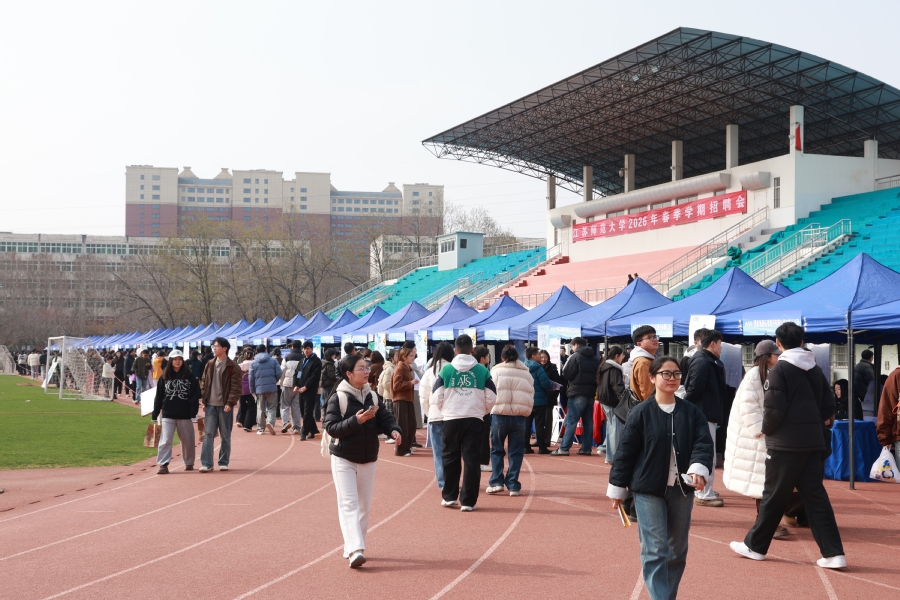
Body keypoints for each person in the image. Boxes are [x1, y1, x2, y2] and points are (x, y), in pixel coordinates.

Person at [730, 322, 846, 569]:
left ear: (779, 343)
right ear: (802, 341)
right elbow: (829, 406)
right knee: (816, 498)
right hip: (812, 442)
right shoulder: (815, 368)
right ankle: (834, 553)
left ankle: (755, 547)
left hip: (784, 445)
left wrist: (767, 430)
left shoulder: (780, 369)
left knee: (773, 496)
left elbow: (773, 410)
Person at [608, 355, 714, 600]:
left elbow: (703, 444)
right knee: (656, 550)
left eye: (676, 373)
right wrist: (617, 487)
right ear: (652, 378)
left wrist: (698, 468)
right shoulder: (640, 413)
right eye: (665, 373)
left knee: (677, 551)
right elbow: (625, 453)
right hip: (647, 490)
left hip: (681, 490)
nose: (672, 378)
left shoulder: (692, 412)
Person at [323, 353, 402, 568]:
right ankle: (356, 549)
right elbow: (331, 428)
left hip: (368, 458)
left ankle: (352, 545)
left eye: (367, 367)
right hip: (343, 458)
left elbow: (385, 419)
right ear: (348, 374)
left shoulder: (372, 396)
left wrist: (394, 430)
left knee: (364, 506)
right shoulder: (338, 397)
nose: (367, 371)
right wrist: (355, 421)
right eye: (361, 368)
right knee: (349, 504)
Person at [723, 340, 789, 538]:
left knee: (765, 482)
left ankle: (767, 522)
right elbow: (748, 407)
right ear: (767, 357)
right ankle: (766, 524)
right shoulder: (754, 376)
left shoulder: (764, 373)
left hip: (760, 436)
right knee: (763, 482)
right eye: (776, 355)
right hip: (756, 437)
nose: (779, 357)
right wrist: (762, 430)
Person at [432, 334, 497, 511]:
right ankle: (468, 501)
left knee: (449, 457)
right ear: (472, 350)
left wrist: (446, 410)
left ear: (455, 350)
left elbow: (436, 396)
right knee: (472, 460)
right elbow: (492, 396)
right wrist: (481, 411)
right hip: (474, 419)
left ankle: (449, 496)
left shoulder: (445, 370)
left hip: (451, 419)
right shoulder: (482, 371)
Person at [682, 329, 726, 507]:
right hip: (703, 413)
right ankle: (704, 492)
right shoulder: (702, 361)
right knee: (707, 453)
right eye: (720, 344)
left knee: (707, 453)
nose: (721, 348)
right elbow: (694, 388)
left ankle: (705, 489)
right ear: (712, 343)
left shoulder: (707, 360)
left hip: (706, 412)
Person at [487, 346, 533, 496]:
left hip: (500, 414)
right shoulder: (526, 372)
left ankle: (497, 481)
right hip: (519, 416)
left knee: (497, 449)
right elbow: (531, 392)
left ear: (502, 357)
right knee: (516, 452)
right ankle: (513, 484)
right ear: (518, 357)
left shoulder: (496, 371)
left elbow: (490, 392)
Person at [152, 349, 201, 474]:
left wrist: (193, 411)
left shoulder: (189, 376)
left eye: (179, 359)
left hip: (185, 414)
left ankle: (189, 462)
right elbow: (159, 396)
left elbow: (194, 395)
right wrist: (155, 411)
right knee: (165, 440)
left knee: (187, 440)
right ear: (170, 361)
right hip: (168, 414)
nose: (177, 361)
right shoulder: (164, 376)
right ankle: (163, 464)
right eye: (175, 359)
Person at [199, 337, 243, 472]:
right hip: (211, 405)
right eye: (213, 346)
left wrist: (230, 402)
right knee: (208, 434)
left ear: (225, 348)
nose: (214, 348)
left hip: (225, 405)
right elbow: (204, 383)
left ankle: (223, 461)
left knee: (225, 434)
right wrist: (205, 400)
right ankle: (207, 463)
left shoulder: (232, 366)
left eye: (217, 346)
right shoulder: (209, 364)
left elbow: (236, 387)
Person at [554, 337, 600, 456]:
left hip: (577, 392)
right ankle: (586, 448)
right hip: (590, 392)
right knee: (588, 422)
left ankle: (564, 448)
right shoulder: (596, 358)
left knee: (571, 421)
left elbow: (566, 373)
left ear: (576, 345)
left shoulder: (575, 357)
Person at [420, 342, 454, 490]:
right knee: (453, 451)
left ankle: (443, 483)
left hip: (435, 416)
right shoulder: (454, 369)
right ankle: (453, 480)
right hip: (452, 416)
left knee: (438, 452)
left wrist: (429, 413)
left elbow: (423, 396)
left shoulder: (430, 372)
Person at [597, 346, 626, 465]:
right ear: (617, 356)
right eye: (622, 355)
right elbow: (617, 386)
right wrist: (623, 400)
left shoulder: (604, 366)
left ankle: (606, 450)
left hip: (605, 400)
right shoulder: (614, 369)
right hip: (612, 401)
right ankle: (613, 457)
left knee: (611, 427)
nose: (623, 358)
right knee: (615, 429)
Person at [523, 347, 552, 454]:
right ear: (533, 356)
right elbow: (546, 383)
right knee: (539, 424)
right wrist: (550, 387)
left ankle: (525, 446)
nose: (540, 356)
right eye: (539, 354)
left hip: (526, 400)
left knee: (526, 424)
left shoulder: (522, 367)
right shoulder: (539, 368)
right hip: (539, 401)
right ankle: (542, 447)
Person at [249, 344, 282, 436]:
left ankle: (260, 428)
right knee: (272, 407)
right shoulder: (273, 361)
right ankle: (270, 422)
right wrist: (274, 381)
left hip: (259, 388)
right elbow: (279, 372)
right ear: (266, 350)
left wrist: (252, 389)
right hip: (272, 387)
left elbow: (251, 378)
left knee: (260, 408)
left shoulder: (253, 363)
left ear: (256, 351)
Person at [391, 346, 418, 456]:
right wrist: (410, 383)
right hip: (400, 399)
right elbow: (396, 386)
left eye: (413, 355)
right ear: (404, 357)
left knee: (411, 424)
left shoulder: (406, 368)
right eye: (410, 356)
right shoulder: (400, 368)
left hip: (407, 399)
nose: (413, 357)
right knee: (403, 425)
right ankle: (401, 449)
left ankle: (407, 447)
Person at [292, 340, 322, 440]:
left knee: (307, 411)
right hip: (301, 390)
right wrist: (296, 385)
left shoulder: (316, 361)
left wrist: (306, 386)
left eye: (308, 348)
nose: (306, 350)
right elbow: (297, 373)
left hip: (310, 390)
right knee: (303, 411)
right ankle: (314, 430)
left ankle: (304, 432)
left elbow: (314, 377)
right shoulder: (302, 361)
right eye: (304, 349)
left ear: (312, 349)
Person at [539, 349, 565, 448]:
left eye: (545, 357)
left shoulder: (553, 368)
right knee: (539, 420)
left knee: (547, 420)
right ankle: (539, 439)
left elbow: (558, 384)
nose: (543, 359)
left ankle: (546, 440)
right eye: (541, 357)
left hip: (549, 398)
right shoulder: (537, 367)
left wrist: (553, 395)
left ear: (548, 358)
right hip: (538, 398)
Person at [473, 346, 493, 469]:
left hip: (473, 408)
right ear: (482, 358)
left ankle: (477, 461)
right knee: (484, 436)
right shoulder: (483, 371)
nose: (488, 358)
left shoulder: (472, 369)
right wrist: (486, 409)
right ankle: (483, 462)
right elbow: (490, 393)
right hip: (482, 408)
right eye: (487, 356)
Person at [877, 365, 900, 468]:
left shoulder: (896, 375)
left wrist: (885, 438)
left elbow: (886, 408)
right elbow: (886, 408)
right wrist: (885, 437)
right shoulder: (897, 375)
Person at [280, 341, 305, 434]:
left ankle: (286, 422)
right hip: (298, 385)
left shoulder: (287, 357)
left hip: (287, 383)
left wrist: (281, 383)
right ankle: (296, 427)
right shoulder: (303, 358)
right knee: (296, 406)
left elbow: (282, 371)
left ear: (292, 346)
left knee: (285, 405)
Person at [236, 349, 257, 432]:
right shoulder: (255, 365)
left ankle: (241, 421)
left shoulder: (239, 366)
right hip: (252, 388)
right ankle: (248, 425)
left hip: (242, 388)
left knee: (243, 406)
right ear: (252, 356)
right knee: (251, 407)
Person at [377, 349, 397, 422]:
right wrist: (393, 391)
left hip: (393, 396)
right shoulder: (390, 368)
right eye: (397, 355)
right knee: (390, 419)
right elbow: (385, 383)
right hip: (389, 397)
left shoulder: (395, 367)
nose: (399, 357)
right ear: (392, 357)